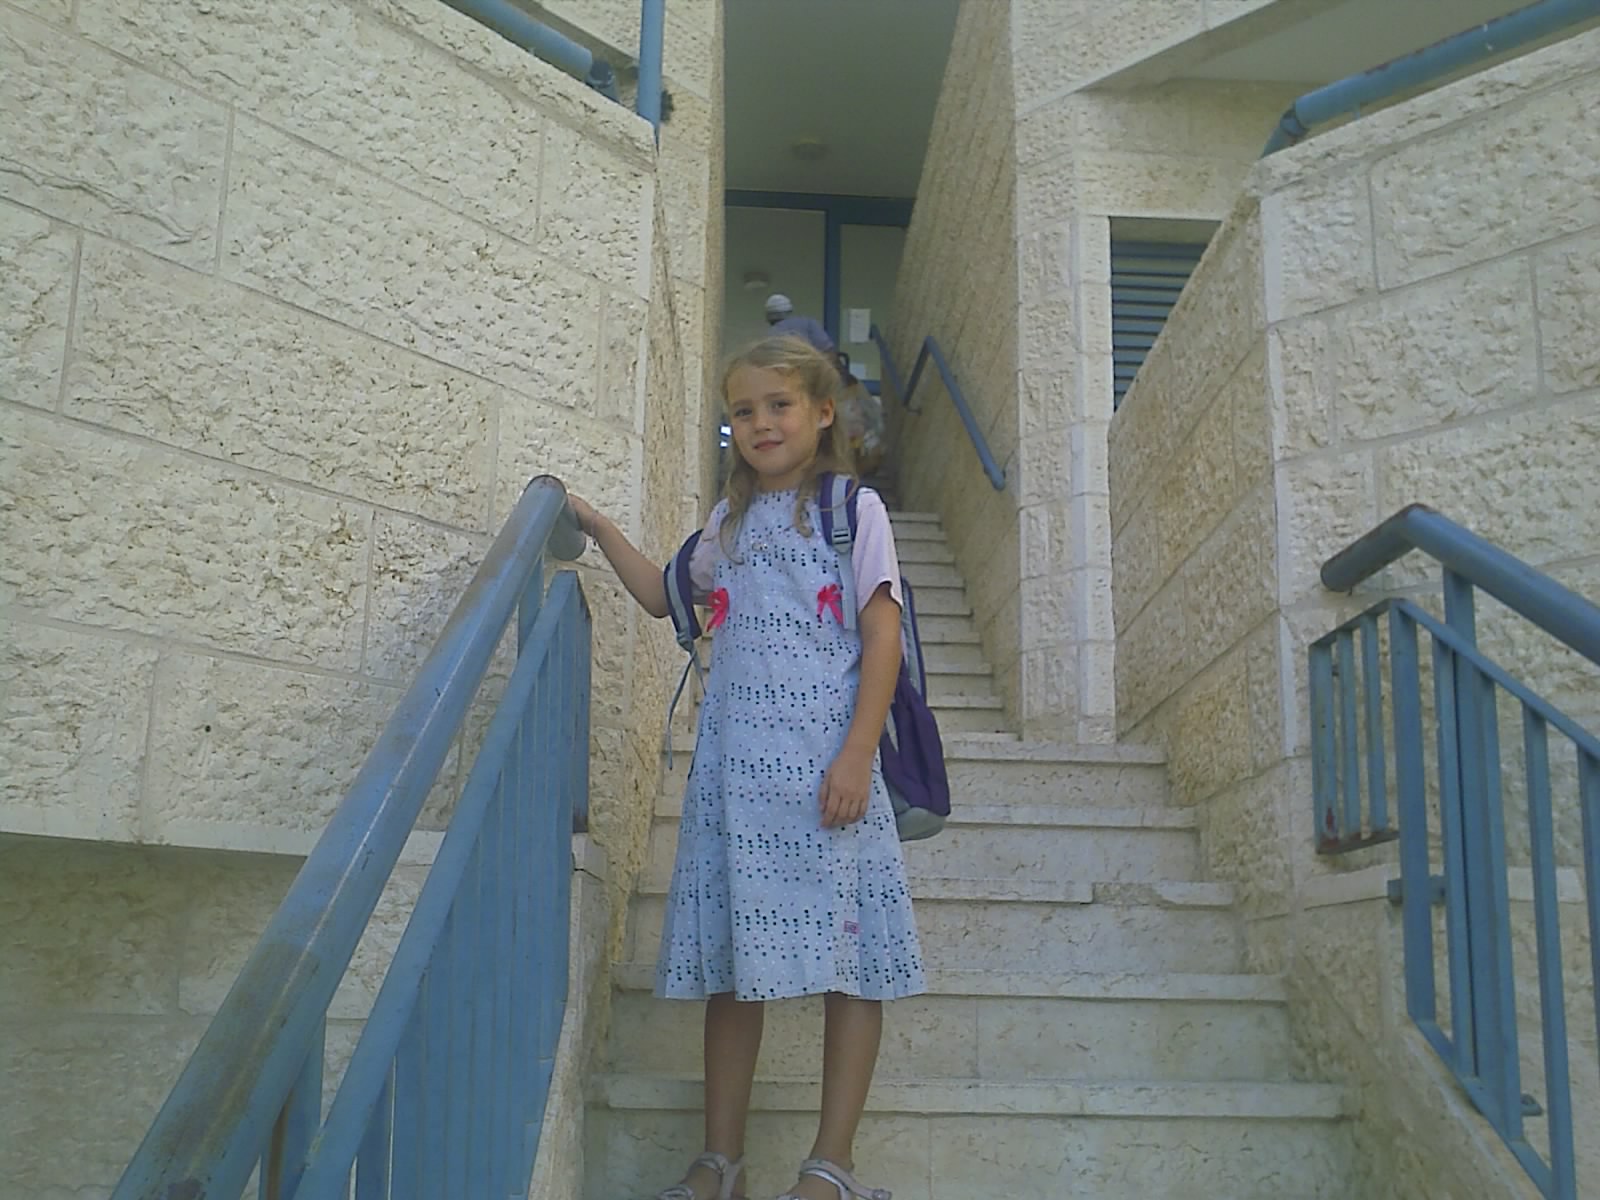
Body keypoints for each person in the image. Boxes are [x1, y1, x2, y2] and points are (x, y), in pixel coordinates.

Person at [568, 335, 924, 1200]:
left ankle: (831, 1166)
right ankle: (719, 1160)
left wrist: (855, 756)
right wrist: (599, 526)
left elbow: (882, 638)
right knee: (734, 971)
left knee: (851, 966)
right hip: (739, 790)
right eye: (743, 410)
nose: (761, 422)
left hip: (830, 781)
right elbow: (662, 595)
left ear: (824, 412)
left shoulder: (853, 511)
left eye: (780, 404)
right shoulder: (725, 527)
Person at [764, 293, 836, 358]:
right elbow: (827, 350)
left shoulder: (772, 333)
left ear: (769, 317)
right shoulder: (809, 323)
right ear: (789, 310)